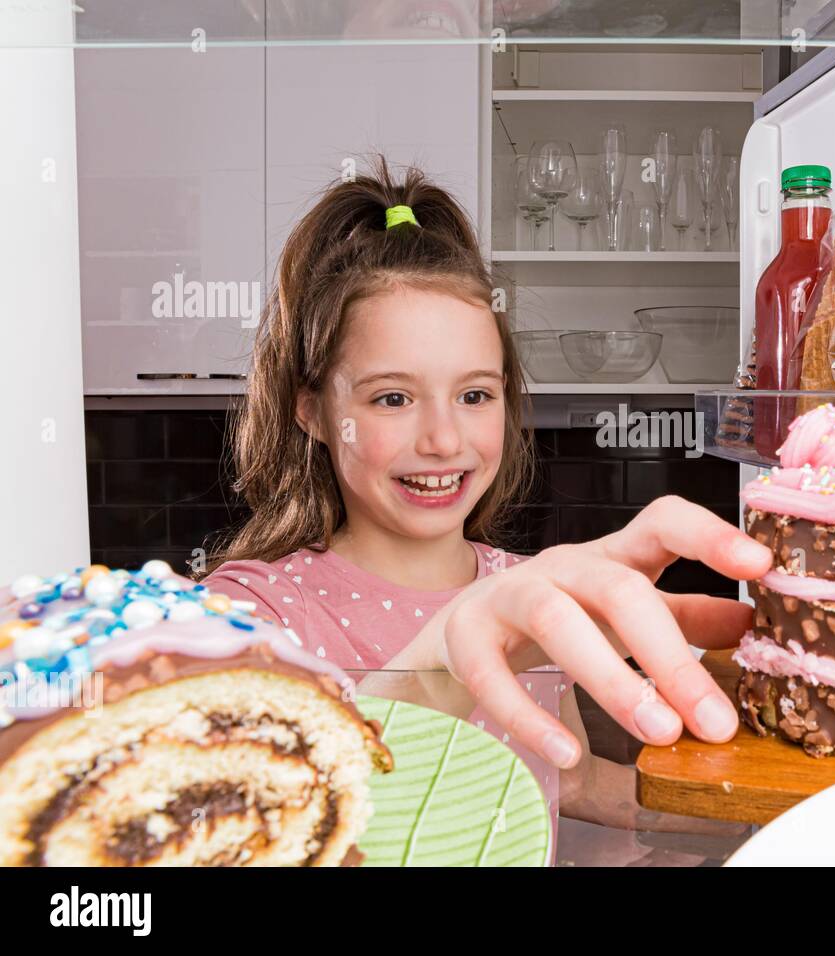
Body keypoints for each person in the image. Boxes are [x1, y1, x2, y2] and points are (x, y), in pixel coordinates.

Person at [202, 158, 769, 861]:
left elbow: (576, 783)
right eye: (392, 398)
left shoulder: (526, 596)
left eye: (474, 396)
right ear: (313, 411)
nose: (443, 441)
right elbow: (263, 831)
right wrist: (445, 659)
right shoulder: (251, 617)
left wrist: (769, 822)